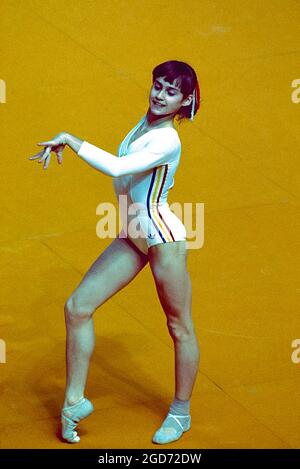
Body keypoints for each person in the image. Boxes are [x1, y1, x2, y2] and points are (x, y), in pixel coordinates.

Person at [28, 60, 201, 445]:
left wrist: (72, 140)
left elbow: (119, 166)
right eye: (158, 85)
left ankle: (181, 412)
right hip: (133, 234)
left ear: (185, 100)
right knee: (77, 307)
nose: (160, 95)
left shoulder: (167, 139)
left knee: (179, 327)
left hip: (162, 239)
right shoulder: (146, 122)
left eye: (172, 92)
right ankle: (74, 401)